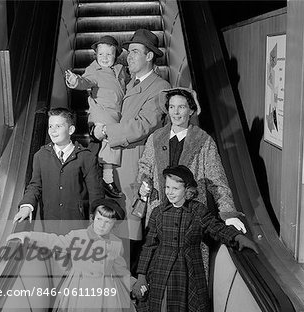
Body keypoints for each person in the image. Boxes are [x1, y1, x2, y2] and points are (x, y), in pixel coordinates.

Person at [132, 166, 258, 312]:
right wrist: (142, 274)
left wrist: (236, 238)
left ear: (188, 189)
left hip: (186, 273)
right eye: (167, 187)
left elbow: (216, 228)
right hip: (161, 272)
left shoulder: (198, 211)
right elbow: (149, 246)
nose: (169, 192)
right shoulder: (158, 213)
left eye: (174, 188)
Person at [8, 199, 137, 312]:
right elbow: (53, 240)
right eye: (99, 219)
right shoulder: (77, 236)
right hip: (84, 291)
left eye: (108, 222)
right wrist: (27, 235)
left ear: (114, 224)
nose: (102, 225)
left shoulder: (116, 243)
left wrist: (134, 284)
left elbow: (121, 269)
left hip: (108, 293)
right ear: (92, 218)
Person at [13, 107, 104, 312]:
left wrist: (96, 222)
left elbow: (96, 193)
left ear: (71, 129)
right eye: (51, 126)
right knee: (58, 275)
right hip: (52, 228)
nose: (53, 130)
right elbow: (35, 186)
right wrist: (26, 206)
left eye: (59, 126)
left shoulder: (85, 157)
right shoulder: (41, 156)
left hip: (79, 228)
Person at [92, 29, 171, 256]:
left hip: (135, 161)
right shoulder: (128, 81)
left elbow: (143, 125)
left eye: (135, 52)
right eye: (128, 52)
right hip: (115, 159)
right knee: (116, 222)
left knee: (131, 223)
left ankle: (134, 277)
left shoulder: (160, 87)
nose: (129, 56)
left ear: (149, 56)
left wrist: (106, 130)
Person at [137, 87, 246, 232]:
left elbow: (217, 180)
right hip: (159, 213)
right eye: (171, 107)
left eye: (181, 107)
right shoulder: (155, 138)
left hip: (190, 216)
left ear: (191, 110)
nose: (175, 113)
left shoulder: (203, 140)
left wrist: (228, 213)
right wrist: (144, 182)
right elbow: (145, 166)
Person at [65, 35, 127, 198]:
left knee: (107, 142)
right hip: (101, 112)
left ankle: (91, 170)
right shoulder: (94, 71)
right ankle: (107, 179)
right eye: (101, 55)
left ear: (116, 55)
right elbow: (85, 81)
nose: (105, 58)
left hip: (116, 112)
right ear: (96, 56)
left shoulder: (121, 70)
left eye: (109, 54)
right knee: (110, 139)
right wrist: (75, 81)